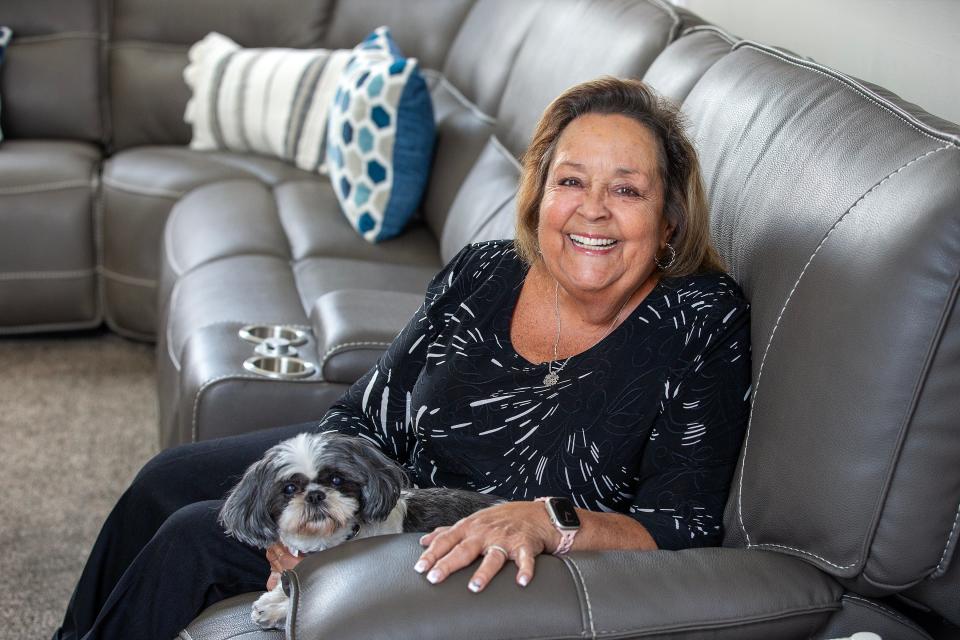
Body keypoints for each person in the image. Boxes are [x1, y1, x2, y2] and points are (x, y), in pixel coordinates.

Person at [53, 77, 750, 640]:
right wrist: (328, 514)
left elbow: (681, 527)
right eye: (571, 181)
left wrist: (548, 518)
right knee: (166, 478)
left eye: (626, 190)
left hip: (469, 546)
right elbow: (368, 415)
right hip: (382, 494)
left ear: (669, 220)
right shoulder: (486, 272)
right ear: (539, 195)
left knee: (190, 541)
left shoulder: (699, 319)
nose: (592, 210)